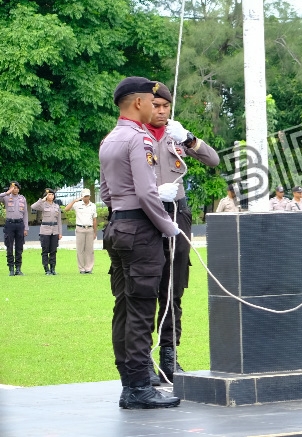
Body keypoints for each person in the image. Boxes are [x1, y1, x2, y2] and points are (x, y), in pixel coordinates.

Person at [99, 77, 182, 409]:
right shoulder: (139, 139)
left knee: (123, 307)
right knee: (141, 311)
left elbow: (106, 193)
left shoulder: (109, 139)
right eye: (151, 101)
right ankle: (138, 387)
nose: (154, 106)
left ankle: (128, 383)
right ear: (138, 103)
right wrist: (168, 226)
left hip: (117, 225)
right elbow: (148, 193)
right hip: (141, 230)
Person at [146, 83, 221, 384]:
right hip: (147, 214)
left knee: (173, 289)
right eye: (155, 105)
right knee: (144, 289)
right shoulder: (136, 136)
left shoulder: (176, 135)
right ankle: (143, 363)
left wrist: (189, 139)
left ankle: (170, 358)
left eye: (165, 106)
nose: (161, 111)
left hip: (177, 212)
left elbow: (213, 160)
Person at [31, 189, 62, 275]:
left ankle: (53, 268)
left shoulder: (56, 206)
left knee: (53, 250)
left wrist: (60, 232)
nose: (51, 196)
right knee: (45, 250)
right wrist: (42, 200)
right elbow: (33, 206)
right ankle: (46, 269)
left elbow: (59, 220)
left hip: (54, 230)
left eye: (52, 194)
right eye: (49, 194)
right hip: (45, 230)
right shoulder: (42, 205)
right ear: (46, 196)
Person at [70, 191, 99, 273]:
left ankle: (88, 268)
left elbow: (94, 219)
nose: (86, 198)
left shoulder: (93, 205)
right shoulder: (77, 205)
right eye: (84, 196)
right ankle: (81, 268)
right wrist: (74, 201)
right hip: (80, 228)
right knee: (80, 249)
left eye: (87, 196)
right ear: (82, 197)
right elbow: (66, 209)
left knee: (89, 249)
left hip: (89, 229)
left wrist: (95, 232)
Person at [3, 181, 28, 276]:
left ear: (19, 189)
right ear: (10, 188)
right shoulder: (6, 197)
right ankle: (11, 269)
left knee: (19, 247)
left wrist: (26, 228)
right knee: (9, 246)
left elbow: (25, 214)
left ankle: (18, 268)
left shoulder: (22, 199)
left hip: (20, 224)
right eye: (13, 187)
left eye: (17, 188)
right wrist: (7, 192)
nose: (15, 189)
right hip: (10, 224)